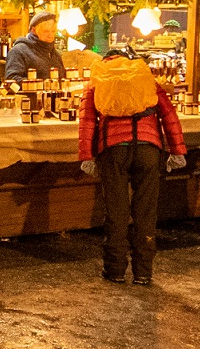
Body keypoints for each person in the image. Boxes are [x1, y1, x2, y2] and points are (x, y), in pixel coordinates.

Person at [77, 40, 186, 286]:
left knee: (116, 212)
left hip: (113, 150)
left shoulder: (97, 82)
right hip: (149, 149)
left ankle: (115, 270)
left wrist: (86, 156)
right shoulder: (145, 79)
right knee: (145, 212)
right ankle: (143, 272)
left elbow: (87, 122)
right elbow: (169, 114)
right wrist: (177, 151)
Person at [3, 13, 65, 81]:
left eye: (53, 31)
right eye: (46, 31)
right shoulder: (19, 51)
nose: (50, 35)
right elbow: (11, 80)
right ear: (34, 30)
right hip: (30, 92)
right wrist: (40, 85)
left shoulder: (55, 54)